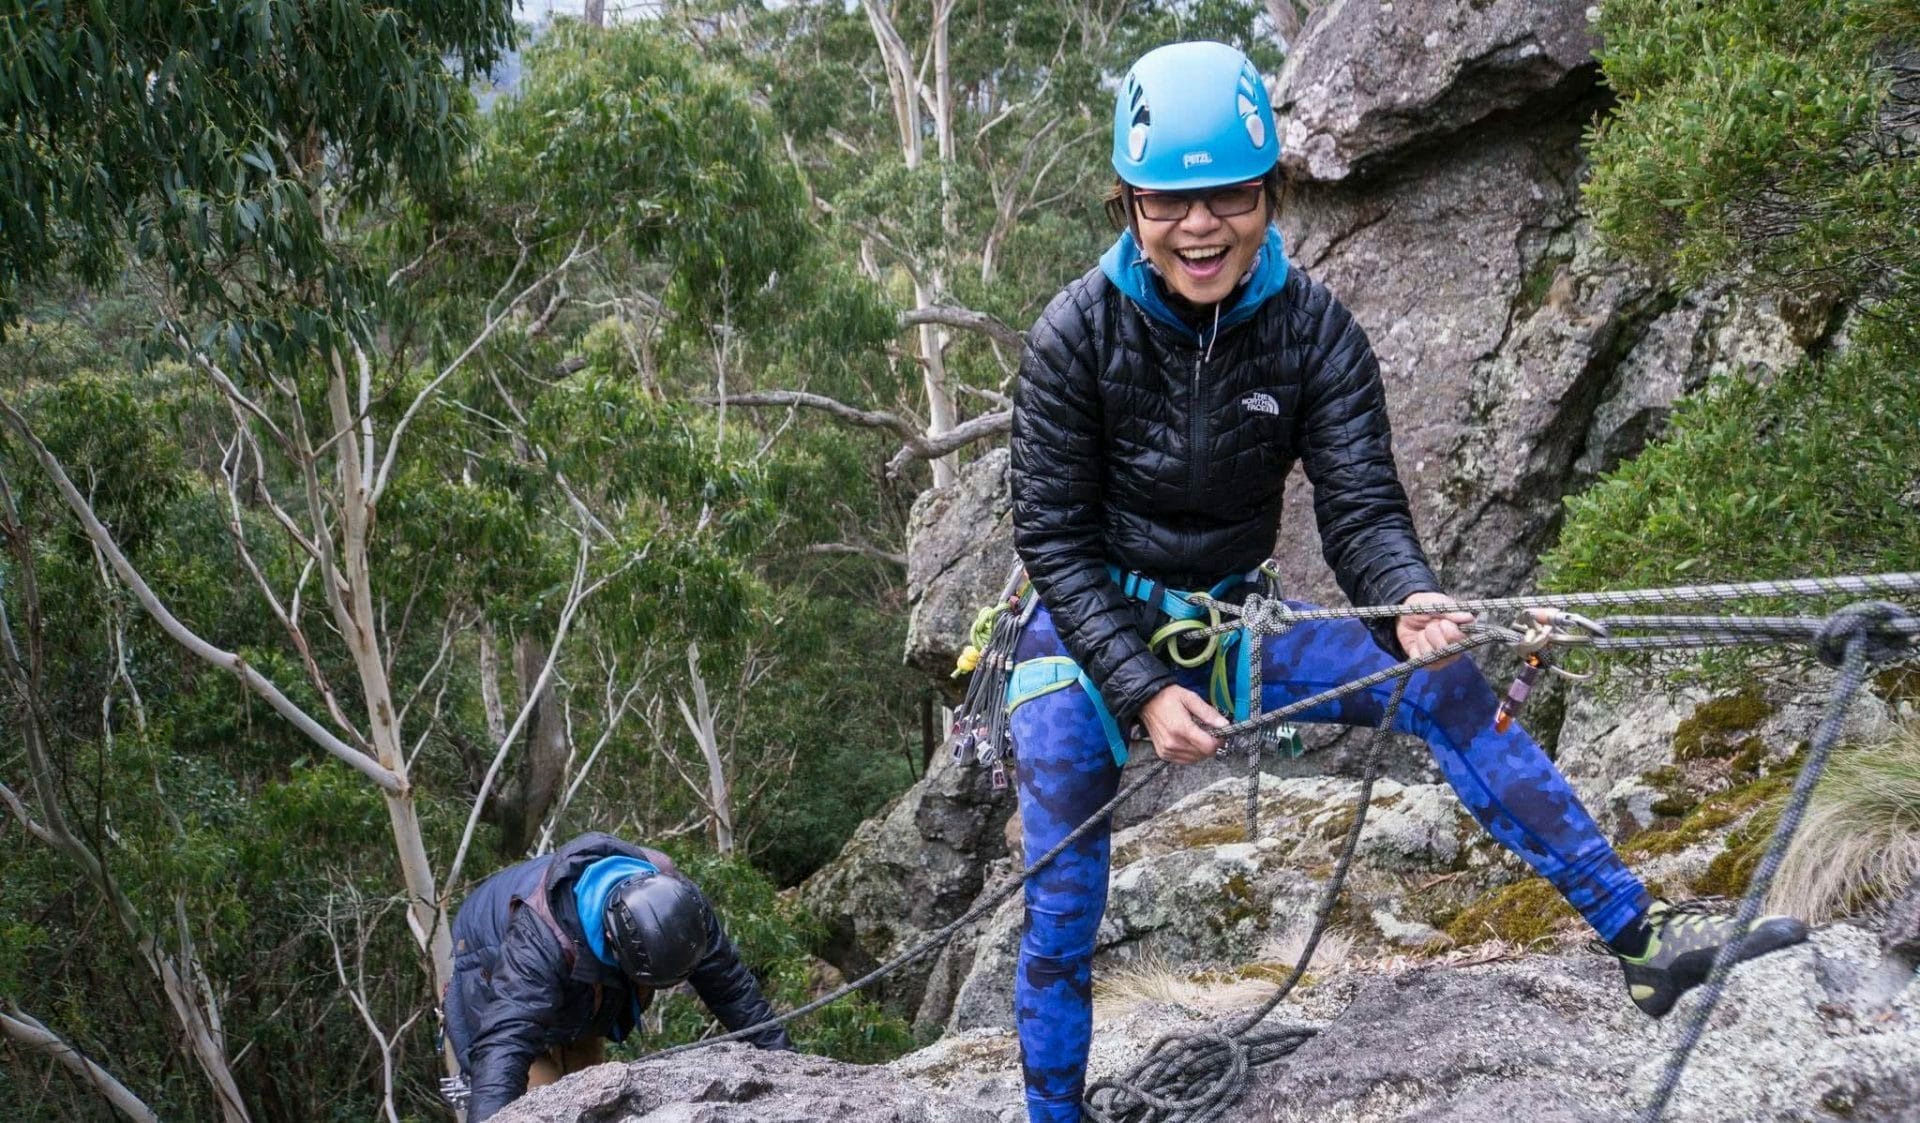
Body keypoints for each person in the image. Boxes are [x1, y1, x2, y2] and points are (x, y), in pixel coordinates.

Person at [1004, 40, 1808, 1123]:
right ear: (1129, 206)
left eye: (1230, 196)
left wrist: (1408, 598)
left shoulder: (1314, 332)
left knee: (1440, 681)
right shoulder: (1076, 336)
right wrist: (1140, 686)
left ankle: (1639, 938)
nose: (1200, 228)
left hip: (1234, 627)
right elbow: (1050, 537)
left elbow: (1364, 511)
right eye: (1167, 202)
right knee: (1062, 902)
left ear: (1272, 193)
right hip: (1088, 628)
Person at [442, 831, 792, 1121]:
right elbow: (505, 1043)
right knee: (542, 1105)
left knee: (590, 1098)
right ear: (612, 942)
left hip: (581, 993)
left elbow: (731, 990)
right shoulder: (538, 942)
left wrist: (788, 1069)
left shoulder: (679, 905)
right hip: (487, 972)